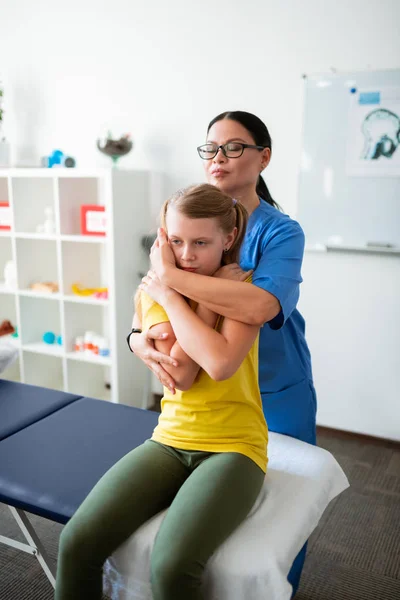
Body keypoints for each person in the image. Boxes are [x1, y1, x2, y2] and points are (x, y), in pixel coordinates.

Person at [129, 110, 317, 595]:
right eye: (211, 147)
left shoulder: (280, 232)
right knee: (207, 537)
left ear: (264, 157)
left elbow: (259, 305)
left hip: (275, 386)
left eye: (234, 147)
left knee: (280, 526)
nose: (218, 157)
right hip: (206, 391)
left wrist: (170, 277)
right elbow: (149, 303)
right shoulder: (192, 221)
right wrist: (136, 339)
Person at [55, 183, 268, 600]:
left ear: (227, 239)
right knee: (77, 542)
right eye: (176, 241)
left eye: (201, 242)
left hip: (234, 447)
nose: (187, 254)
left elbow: (214, 366)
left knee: (171, 567)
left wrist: (175, 297)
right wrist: (172, 293)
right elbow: (183, 371)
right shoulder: (153, 290)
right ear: (162, 241)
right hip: (169, 439)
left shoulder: (244, 288)